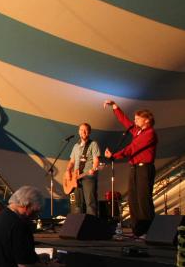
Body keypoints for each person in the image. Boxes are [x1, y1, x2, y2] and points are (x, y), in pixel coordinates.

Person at [103, 100, 158, 237]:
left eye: (138, 118)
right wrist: (115, 107)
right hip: (134, 168)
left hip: (144, 168)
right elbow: (126, 122)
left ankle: (148, 230)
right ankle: (137, 231)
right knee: (133, 199)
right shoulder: (138, 131)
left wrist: (114, 156)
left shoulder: (150, 133)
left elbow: (132, 148)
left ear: (146, 120)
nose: (135, 120)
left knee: (143, 199)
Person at [65, 123, 100, 216]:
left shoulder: (93, 144)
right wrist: (68, 170)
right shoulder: (75, 146)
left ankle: (91, 226)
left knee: (90, 203)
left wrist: (94, 168)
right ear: (78, 132)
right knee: (77, 204)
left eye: (85, 130)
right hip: (76, 177)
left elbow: (96, 160)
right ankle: (78, 226)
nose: (83, 132)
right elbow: (72, 161)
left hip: (88, 176)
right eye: (81, 130)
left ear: (89, 132)